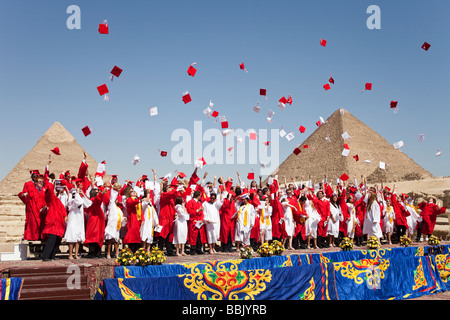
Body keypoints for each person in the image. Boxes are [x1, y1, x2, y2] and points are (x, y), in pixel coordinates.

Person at [40, 180, 68, 261]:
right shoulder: (51, 199)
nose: (56, 191)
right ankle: (45, 256)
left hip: (59, 222)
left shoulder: (57, 200)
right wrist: (51, 182)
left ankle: (52, 255)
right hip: (53, 222)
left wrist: (65, 215)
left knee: (57, 240)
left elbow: (62, 208)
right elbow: (50, 191)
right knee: (51, 240)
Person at [65, 179, 92, 260]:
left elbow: (88, 204)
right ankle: (70, 254)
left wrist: (83, 194)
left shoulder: (80, 196)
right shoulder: (72, 195)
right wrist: (76, 193)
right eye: (80, 186)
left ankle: (76, 254)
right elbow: (77, 202)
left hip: (79, 218)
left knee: (78, 238)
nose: (81, 187)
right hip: (73, 217)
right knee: (72, 236)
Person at [18, 172, 47, 241]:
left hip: (42, 212)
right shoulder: (31, 190)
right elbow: (21, 194)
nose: (41, 183)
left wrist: (45, 207)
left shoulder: (44, 190)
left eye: (42, 182)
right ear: (36, 182)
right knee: (34, 228)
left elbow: (48, 200)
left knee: (42, 228)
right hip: (34, 212)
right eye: (39, 181)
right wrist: (24, 195)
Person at [84, 187, 106, 258]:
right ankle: (92, 253)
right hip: (95, 220)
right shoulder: (93, 200)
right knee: (94, 236)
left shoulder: (95, 200)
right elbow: (98, 200)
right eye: (97, 192)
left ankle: (97, 252)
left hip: (98, 219)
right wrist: (101, 194)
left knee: (98, 236)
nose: (98, 193)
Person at [104, 183, 124, 259]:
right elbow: (112, 198)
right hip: (111, 225)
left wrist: (123, 220)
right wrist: (114, 189)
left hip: (117, 226)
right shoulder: (111, 206)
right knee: (109, 241)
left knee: (116, 241)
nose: (116, 201)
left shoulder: (118, 209)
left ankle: (116, 253)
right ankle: (108, 253)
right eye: (116, 200)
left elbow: (121, 216)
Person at [186, 191, 207, 255]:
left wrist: (201, 219)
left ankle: (199, 249)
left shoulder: (200, 203)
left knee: (199, 236)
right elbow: (189, 211)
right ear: (198, 196)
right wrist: (197, 210)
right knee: (193, 237)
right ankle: (193, 249)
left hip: (199, 222)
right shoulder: (190, 202)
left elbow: (202, 213)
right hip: (193, 221)